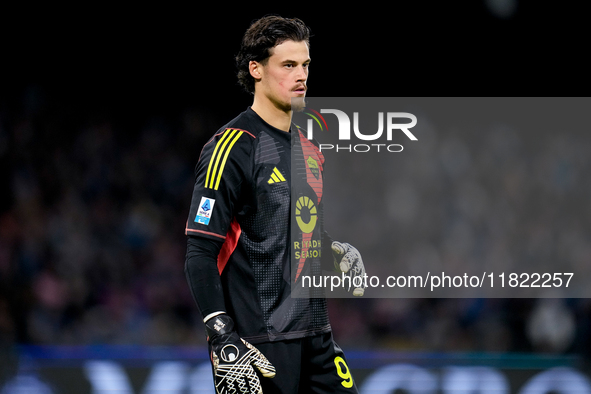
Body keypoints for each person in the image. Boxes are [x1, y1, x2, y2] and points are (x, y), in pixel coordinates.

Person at [184, 15, 366, 394]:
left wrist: (334, 250)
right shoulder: (231, 147)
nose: (301, 75)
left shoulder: (310, 150)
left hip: (316, 335)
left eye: (305, 65)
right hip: (259, 343)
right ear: (256, 69)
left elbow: (295, 229)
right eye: (288, 65)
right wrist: (222, 335)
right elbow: (200, 251)